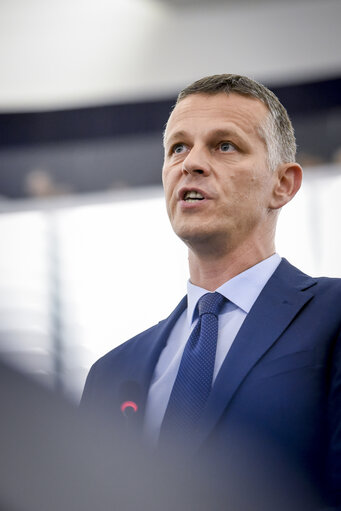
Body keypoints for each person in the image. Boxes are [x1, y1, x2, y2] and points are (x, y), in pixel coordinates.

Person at [81, 74, 341, 510]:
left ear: (284, 184)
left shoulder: (332, 317)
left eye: (224, 145)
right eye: (178, 147)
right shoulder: (110, 374)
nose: (191, 163)